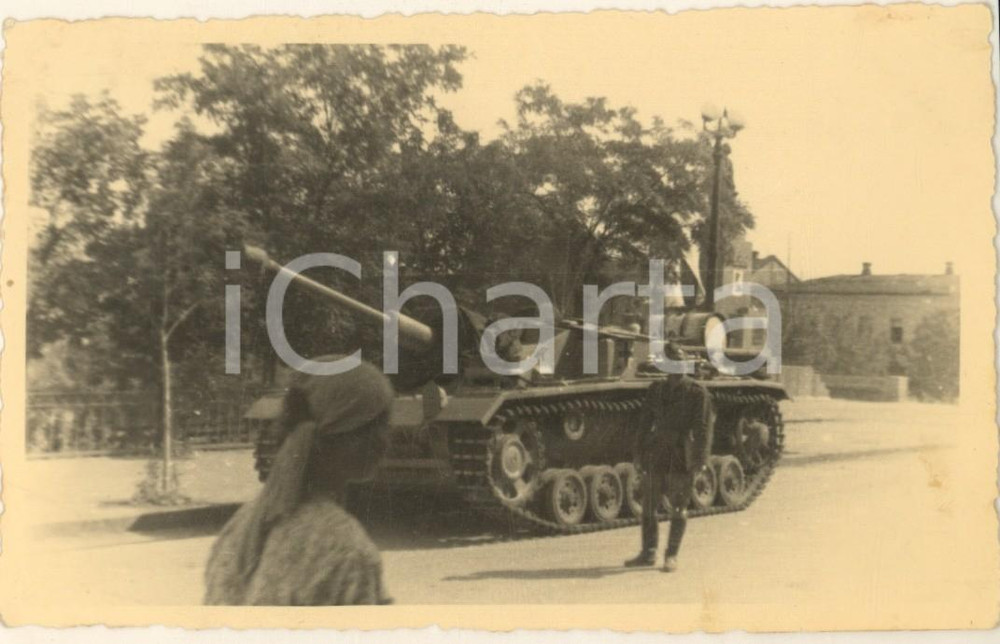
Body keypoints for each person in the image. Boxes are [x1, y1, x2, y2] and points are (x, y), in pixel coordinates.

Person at [204, 358, 395, 605]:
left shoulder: (241, 526)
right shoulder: (348, 550)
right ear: (347, 435)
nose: (385, 439)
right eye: (379, 426)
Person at [625, 349, 715, 573]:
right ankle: (648, 552)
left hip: (681, 453)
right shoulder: (656, 390)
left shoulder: (697, 392)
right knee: (649, 505)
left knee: (678, 506)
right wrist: (638, 452)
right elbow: (645, 423)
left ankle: (671, 555)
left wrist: (700, 459)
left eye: (680, 363)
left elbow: (703, 430)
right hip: (657, 452)